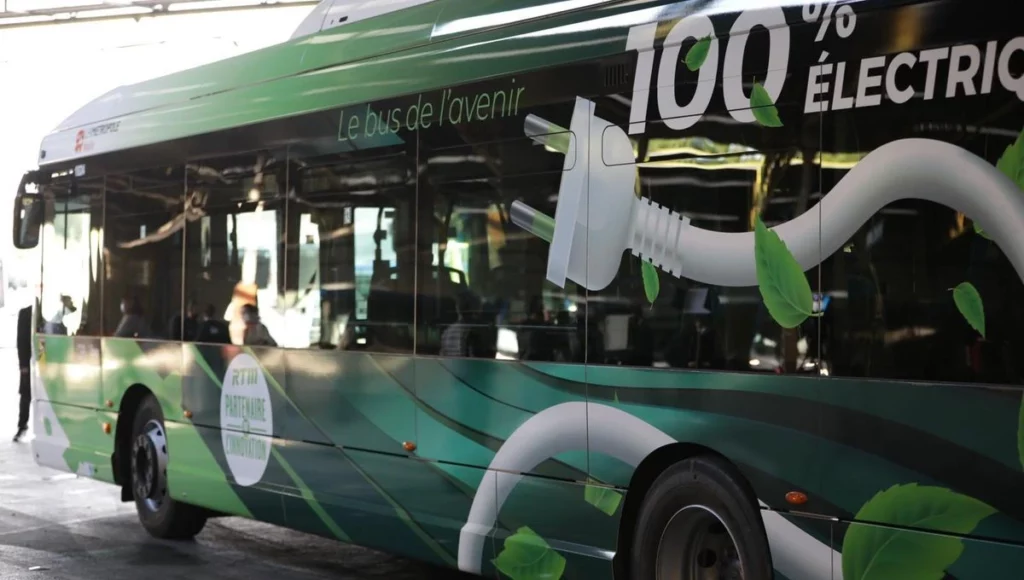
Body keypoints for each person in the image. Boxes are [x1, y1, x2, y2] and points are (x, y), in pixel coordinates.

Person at [14, 304, 32, 442]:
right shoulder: (26, 313)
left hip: (47, 362)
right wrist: (23, 365)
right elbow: (21, 341)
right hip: (30, 362)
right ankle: (22, 424)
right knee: (26, 393)